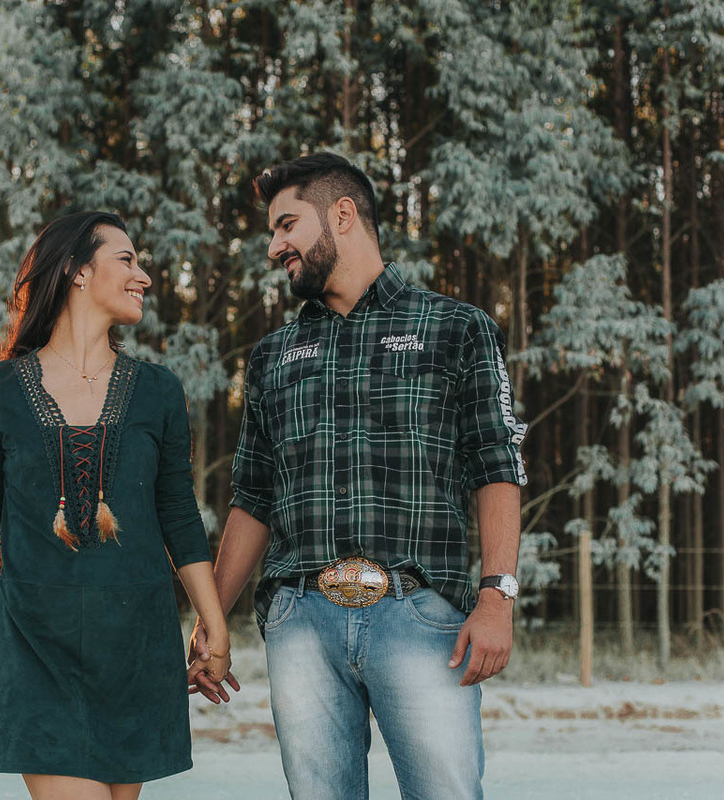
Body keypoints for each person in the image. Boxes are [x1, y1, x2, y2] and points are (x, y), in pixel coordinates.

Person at [187, 154, 528, 799]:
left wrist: (497, 597)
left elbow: (498, 465)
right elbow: (253, 498)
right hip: (300, 621)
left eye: (287, 225)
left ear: (343, 215)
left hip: (422, 618)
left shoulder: (456, 330)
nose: (274, 246)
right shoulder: (273, 357)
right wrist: (212, 623)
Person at [0, 210, 231, 800]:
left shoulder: (159, 390)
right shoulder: (1, 388)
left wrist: (215, 622)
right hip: (34, 644)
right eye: (126, 260)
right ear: (79, 271)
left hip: (136, 644)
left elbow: (179, 516)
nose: (144, 277)